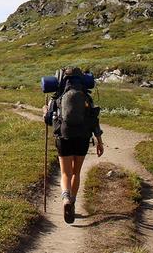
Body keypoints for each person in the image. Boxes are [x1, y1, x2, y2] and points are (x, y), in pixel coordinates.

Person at [43, 67, 104, 224]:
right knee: (76, 172)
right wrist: (99, 141)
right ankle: (73, 201)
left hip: (64, 137)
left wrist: (45, 111)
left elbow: (49, 120)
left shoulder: (57, 96)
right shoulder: (86, 97)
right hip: (83, 137)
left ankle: (65, 200)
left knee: (65, 173)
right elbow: (93, 120)